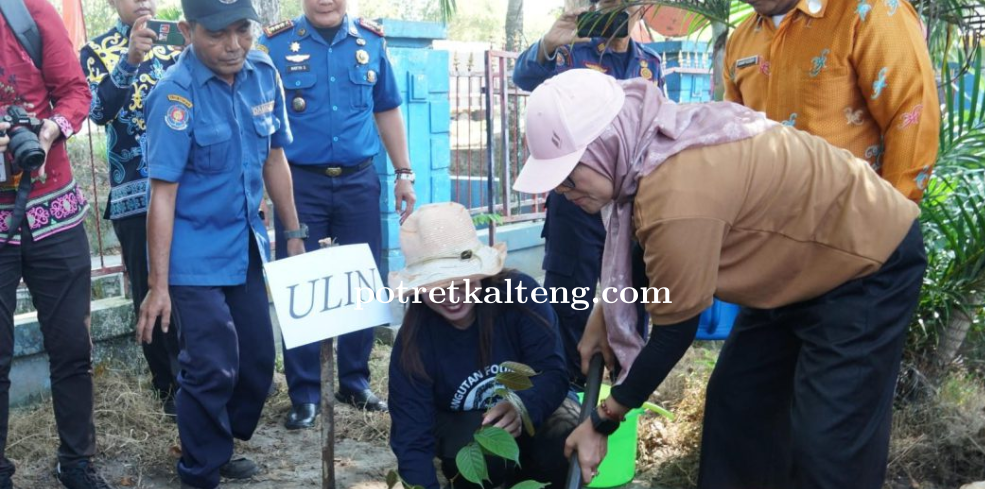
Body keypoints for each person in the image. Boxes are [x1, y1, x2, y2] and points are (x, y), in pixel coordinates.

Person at [513, 69, 927, 489]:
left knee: (828, 442)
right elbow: (641, 249)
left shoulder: (676, 194)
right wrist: (606, 312)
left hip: (865, 262)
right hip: (790, 267)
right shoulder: (649, 145)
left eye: (568, 176)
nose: (561, 191)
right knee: (738, 404)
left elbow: (674, 333)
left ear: (607, 147)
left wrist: (602, 421)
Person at [135, 0, 305, 487]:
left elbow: (275, 159)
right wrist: (158, 284)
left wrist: (293, 235)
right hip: (190, 251)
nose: (233, 45)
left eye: (241, 31)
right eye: (217, 34)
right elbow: (162, 195)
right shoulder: (174, 95)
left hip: (245, 242)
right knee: (211, 366)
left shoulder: (262, 74)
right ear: (188, 31)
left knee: (254, 364)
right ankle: (201, 468)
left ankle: (219, 439)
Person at [257, 0, 416, 427]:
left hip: (358, 181)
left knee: (363, 279)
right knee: (300, 280)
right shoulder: (274, 45)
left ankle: (354, 380)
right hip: (298, 183)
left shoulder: (371, 41)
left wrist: (404, 172)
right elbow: (259, 119)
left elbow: (386, 109)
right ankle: (305, 393)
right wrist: (258, 186)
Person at [512, 0, 662, 389]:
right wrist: (549, 40)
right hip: (574, 197)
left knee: (630, 291)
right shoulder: (569, 50)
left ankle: (624, 379)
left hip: (628, 202)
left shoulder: (650, 63)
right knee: (569, 295)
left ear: (640, 9)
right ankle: (563, 382)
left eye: (622, 5)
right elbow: (523, 77)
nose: (613, 9)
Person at [0, 0, 120, 487]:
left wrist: (48, 130)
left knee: (72, 346)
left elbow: (75, 92)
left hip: (55, 208)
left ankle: (77, 463)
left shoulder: (29, 12)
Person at [388, 202, 577, 489]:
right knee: (471, 442)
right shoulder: (414, 340)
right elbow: (411, 436)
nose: (452, 296)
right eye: (437, 286)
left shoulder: (519, 294)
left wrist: (521, 406)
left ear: (480, 274)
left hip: (535, 416)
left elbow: (553, 371)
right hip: (464, 432)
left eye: (462, 282)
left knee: (564, 426)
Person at [724, 0, 939, 202]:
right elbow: (736, 138)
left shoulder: (870, 10)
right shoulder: (740, 40)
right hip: (766, 228)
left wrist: (890, 219)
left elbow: (910, 115)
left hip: (856, 225)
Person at [80, 0, 181, 416]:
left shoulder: (179, 37)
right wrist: (130, 60)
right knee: (150, 291)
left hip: (183, 189)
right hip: (135, 195)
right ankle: (168, 390)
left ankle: (202, 380)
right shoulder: (95, 51)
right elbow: (98, 112)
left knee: (191, 288)